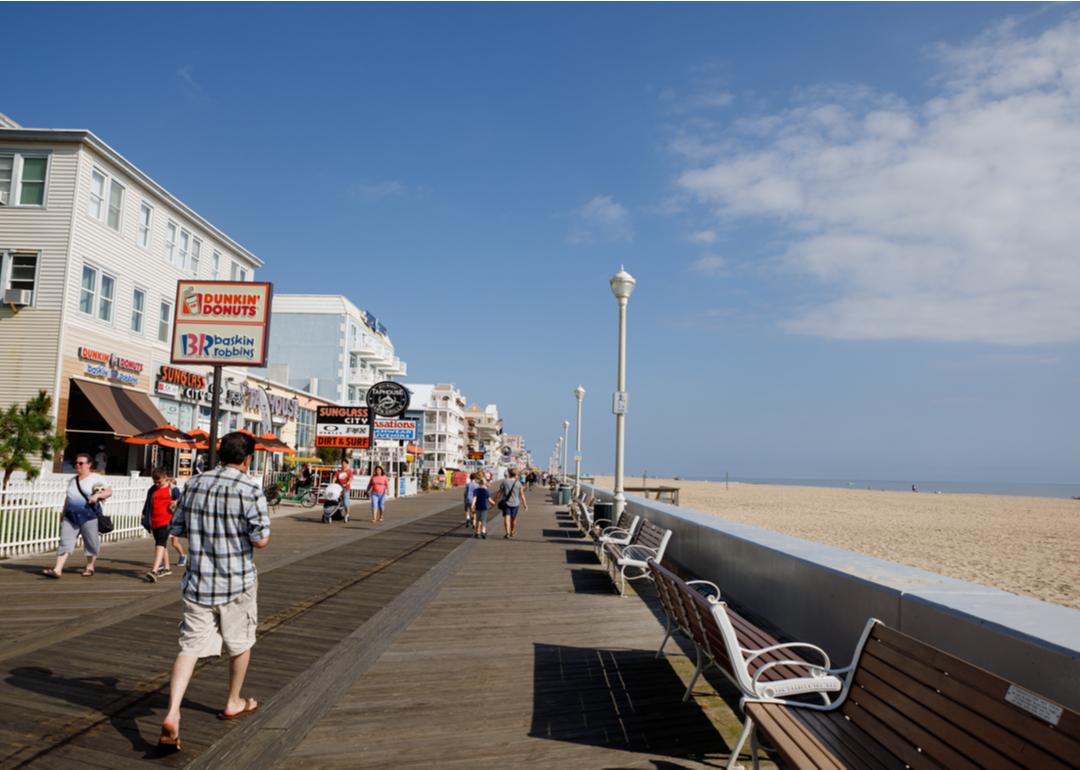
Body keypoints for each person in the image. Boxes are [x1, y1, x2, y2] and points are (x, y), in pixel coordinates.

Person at [158, 432, 270, 754]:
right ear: (248, 459)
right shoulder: (250, 489)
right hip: (236, 582)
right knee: (241, 641)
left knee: (189, 646)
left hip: (198, 581)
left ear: (219, 454)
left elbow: (175, 529)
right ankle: (234, 701)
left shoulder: (193, 483)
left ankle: (172, 712)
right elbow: (261, 539)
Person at [43, 453, 113, 578]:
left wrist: (97, 496)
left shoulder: (96, 478)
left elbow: (108, 491)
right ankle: (57, 569)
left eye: (81, 463)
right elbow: (68, 498)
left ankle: (90, 567)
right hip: (71, 517)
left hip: (89, 516)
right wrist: (63, 513)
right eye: (76, 463)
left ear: (89, 465)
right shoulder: (72, 480)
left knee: (91, 542)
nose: (77, 465)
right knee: (65, 541)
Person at [143, 468, 184, 582]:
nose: (157, 484)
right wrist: (144, 516)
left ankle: (154, 571)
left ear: (165, 478)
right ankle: (166, 568)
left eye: (159, 482)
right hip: (154, 521)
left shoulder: (173, 489)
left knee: (159, 544)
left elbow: (181, 502)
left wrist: (175, 503)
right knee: (162, 545)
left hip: (167, 521)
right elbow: (147, 504)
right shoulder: (152, 489)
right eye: (154, 482)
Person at [494, 467, 527, 539]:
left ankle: (507, 533)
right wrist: (525, 505)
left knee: (506, 518)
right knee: (513, 519)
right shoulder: (518, 483)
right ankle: (512, 530)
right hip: (516, 503)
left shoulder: (505, 482)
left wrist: (495, 500)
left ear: (509, 474)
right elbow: (522, 495)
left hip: (506, 503)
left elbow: (499, 492)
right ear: (516, 475)